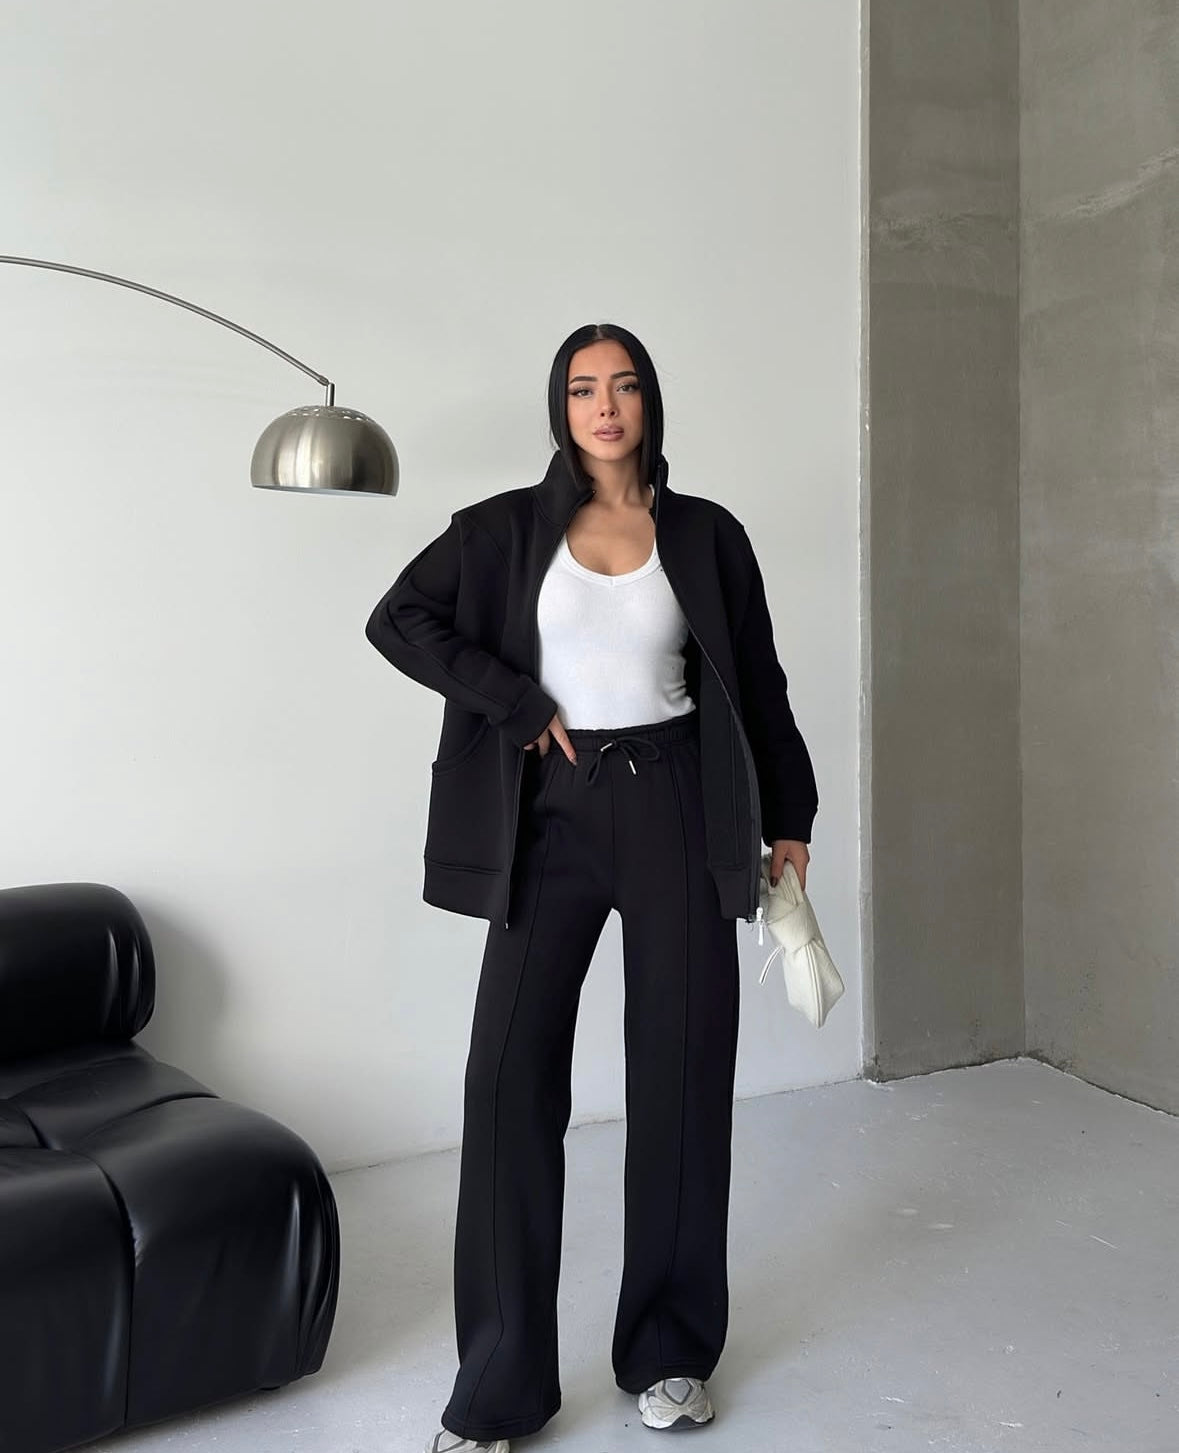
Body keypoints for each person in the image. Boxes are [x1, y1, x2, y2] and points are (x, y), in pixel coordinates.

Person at [365, 323, 818, 1453]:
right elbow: (399, 618)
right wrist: (516, 704)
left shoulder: (706, 534)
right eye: (581, 388)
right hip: (550, 814)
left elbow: (757, 681)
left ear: (648, 400)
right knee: (507, 1080)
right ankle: (498, 1385)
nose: (603, 405)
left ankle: (668, 1351)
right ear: (560, 407)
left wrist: (789, 818)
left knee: (681, 1074)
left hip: (677, 806)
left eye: (621, 386)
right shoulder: (504, 529)